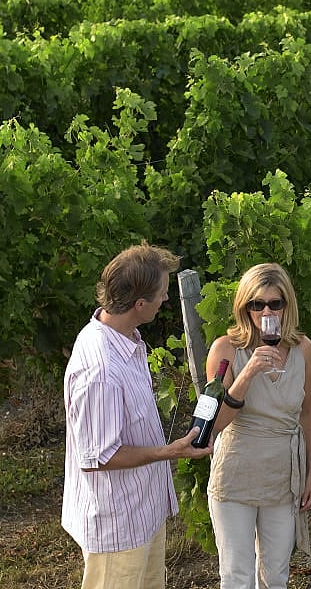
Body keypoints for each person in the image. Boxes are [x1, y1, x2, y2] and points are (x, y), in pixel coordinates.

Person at [62, 241, 213, 589]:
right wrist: (168, 452)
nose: (166, 300)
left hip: (141, 512)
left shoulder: (125, 338)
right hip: (117, 524)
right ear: (139, 303)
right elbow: (98, 457)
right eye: (161, 293)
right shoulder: (100, 370)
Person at [203, 263, 311, 589]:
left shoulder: (302, 348)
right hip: (236, 473)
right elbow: (215, 424)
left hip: (283, 476)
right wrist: (248, 372)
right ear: (245, 307)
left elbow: (309, 412)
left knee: (276, 576)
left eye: (275, 304)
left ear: (287, 305)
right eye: (257, 304)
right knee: (237, 577)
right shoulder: (226, 349)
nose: (266, 311)